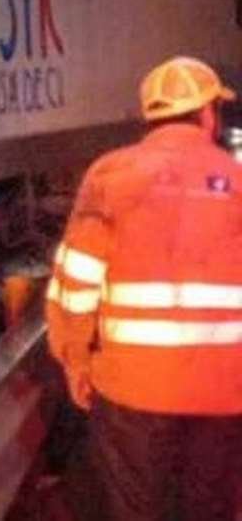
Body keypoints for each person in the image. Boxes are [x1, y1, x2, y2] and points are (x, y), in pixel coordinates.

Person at [46, 56, 242, 521]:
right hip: (224, 392)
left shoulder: (109, 176)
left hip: (132, 391)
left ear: (149, 116)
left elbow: (77, 282)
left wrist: (76, 361)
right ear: (208, 114)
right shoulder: (237, 181)